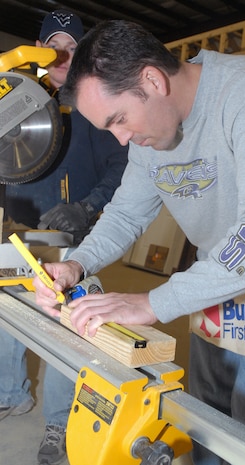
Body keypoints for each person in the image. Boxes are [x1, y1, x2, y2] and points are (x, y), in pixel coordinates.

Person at [33, 20, 245, 465]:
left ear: (152, 80)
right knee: (204, 419)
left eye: (119, 120)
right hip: (213, 278)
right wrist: (79, 263)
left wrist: (153, 302)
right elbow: (127, 213)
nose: (122, 139)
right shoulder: (149, 137)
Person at [0, 11, 128, 465]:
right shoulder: (17, 98)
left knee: (64, 328)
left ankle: (57, 421)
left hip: (72, 237)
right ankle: (11, 394)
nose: (60, 58)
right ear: (36, 49)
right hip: (17, 233)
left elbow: (121, 169)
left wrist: (87, 208)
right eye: (51, 48)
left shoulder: (93, 103)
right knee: (7, 317)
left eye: (70, 48)